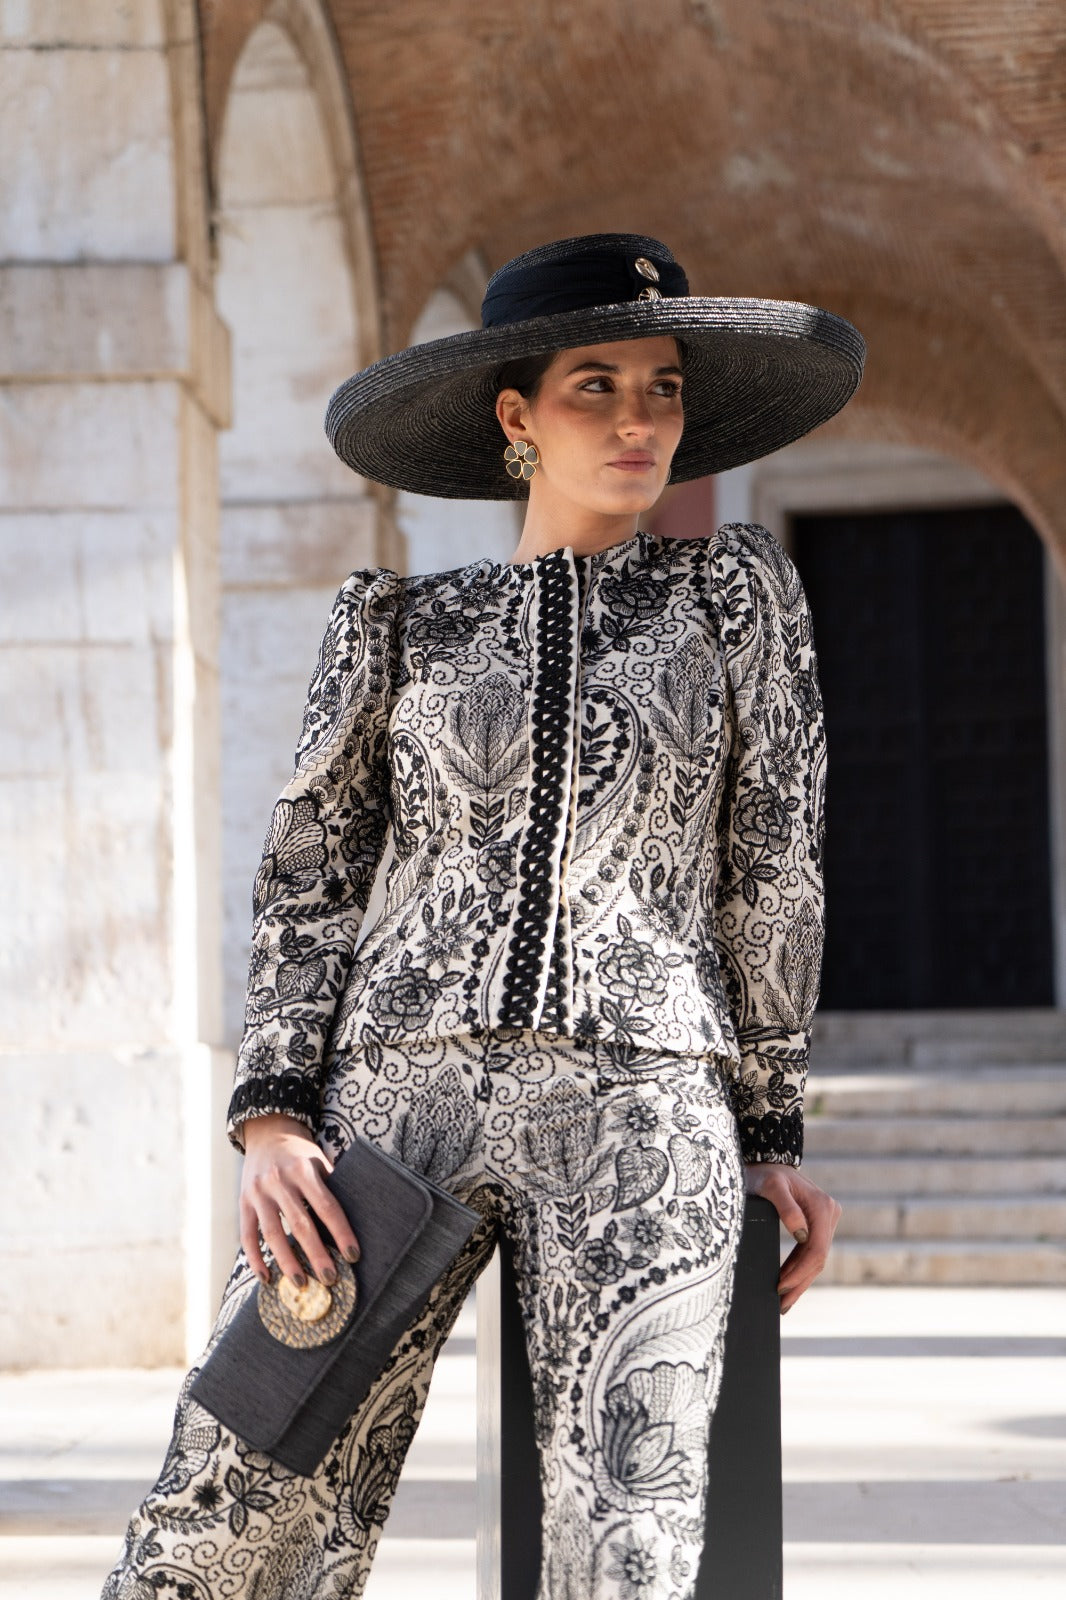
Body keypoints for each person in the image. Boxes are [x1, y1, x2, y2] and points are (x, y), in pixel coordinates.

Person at [101, 232, 862, 1600]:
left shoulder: (734, 601)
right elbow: (311, 873)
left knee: (628, 1544)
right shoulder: (398, 623)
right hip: (394, 1107)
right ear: (518, 416)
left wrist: (768, 1131)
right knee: (225, 1511)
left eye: (663, 387)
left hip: (642, 1104)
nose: (638, 420)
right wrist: (271, 1115)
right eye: (595, 386)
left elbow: (773, 867)